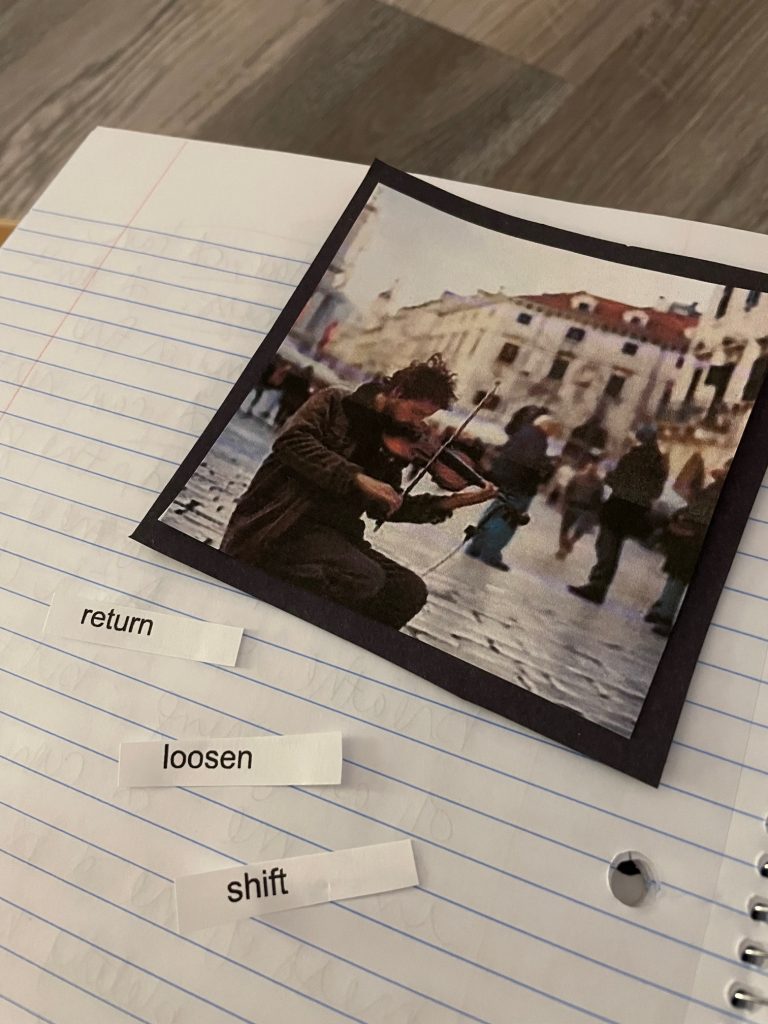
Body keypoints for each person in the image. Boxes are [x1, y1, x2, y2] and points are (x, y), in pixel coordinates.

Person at [220, 354, 497, 629]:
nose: (417, 423)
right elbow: (291, 441)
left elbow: (386, 505)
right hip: (285, 523)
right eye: (416, 412)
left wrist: (453, 502)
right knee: (364, 576)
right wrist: (356, 478)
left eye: (425, 417)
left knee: (409, 590)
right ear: (397, 392)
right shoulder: (335, 402)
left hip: (338, 537)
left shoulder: (394, 438)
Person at [568, 425, 667, 604]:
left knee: (607, 547)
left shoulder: (635, 457)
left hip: (619, 508)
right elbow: (655, 492)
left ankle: (597, 586)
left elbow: (619, 480)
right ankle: (599, 585)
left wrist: (609, 477)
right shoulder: (659, 463)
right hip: (636, 511)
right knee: (612, 548)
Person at [465, 414, 561, 570]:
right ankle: (490, 553)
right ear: (548, 427)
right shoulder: (538, 439)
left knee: (494, 512)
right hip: (521, 485)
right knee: (508, 518)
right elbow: (530, 461)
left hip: (505, 480)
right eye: (554, 430)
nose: (553, 434)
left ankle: (476, 546)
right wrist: (548, 464)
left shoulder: (523, 432)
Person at [646, 460, 730, 636]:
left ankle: (665, 617)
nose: (722, 472)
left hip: (694, 539)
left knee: (678, 578)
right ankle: (661, 608)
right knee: (674, 576)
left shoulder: (720, 491)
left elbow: (701, 513)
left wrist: (684, 518)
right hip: (689, 537)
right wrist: (680, 515)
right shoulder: (714, 488)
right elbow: (695, 507)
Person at [556, 453, 604, 559]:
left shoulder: (597, 483)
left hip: (584, 509)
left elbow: (598, 500)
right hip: (575, 507)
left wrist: (595, 515)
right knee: (566, 529)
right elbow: (568, 490)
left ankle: (566, 546)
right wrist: (563, 503)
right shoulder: (579, 477)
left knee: (576, 530)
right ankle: (564, 547)